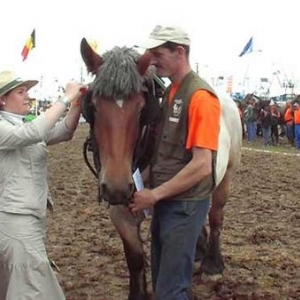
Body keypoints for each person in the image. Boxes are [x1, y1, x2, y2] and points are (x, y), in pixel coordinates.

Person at [129, 25, 221, 300]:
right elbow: (165, 153)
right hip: (167, 203)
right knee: (162, 282)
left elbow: (202, 164)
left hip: (184, 206)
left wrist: (154, 195)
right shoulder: (172, 92)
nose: (152, 61)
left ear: (179, 52)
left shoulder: (201, 98)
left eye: (158, 54)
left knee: (171, 290)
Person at [0, 70, 84, 300]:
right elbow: (34, 131)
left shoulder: (22, 125)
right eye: (21, 91)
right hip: (14, 220)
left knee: (15, 286)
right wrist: (65, 98)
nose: (27, 96)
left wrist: (77, 104)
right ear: (2, 99)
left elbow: (64, 131)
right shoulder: (7, 128)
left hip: (26, 218)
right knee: (34, 289)